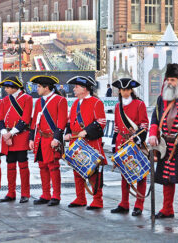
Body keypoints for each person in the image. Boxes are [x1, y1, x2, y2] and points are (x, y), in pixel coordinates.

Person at [148, 63, 178, 224]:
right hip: (165, 144)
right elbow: (155, 117)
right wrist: (153, 133)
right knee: (166, 178)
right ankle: (167, 209)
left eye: (173, 79)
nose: (169, 82)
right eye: (168, 79)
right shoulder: (162, 98)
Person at [65, 75, 107, 210]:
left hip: (90, 142)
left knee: (94, 172)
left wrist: (87, 131)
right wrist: (67, 132)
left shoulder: (96, 102)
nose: (74, 90)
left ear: (84, 88)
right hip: (76, 141)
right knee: (77, 170)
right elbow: (70, 121)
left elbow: (101, 122)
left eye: (76, 87)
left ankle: (97, 200)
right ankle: (80, 197)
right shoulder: (75, 103)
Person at [0, 76, 32, 203]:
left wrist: (10, 133)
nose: (6, 89)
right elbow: (0, 119)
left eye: (8, 87)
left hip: (20, 136)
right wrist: (4, 133)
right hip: (8, 137)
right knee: (10, 165)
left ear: (15, 88)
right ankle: (11, 192)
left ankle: (25, 193)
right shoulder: (4, 100)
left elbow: (25, 119)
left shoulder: (27, 98)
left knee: (23, 166)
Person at [110, 78, 148, 216]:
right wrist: (114, 147)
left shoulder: (139, 104)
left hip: (135, 143)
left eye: (127, 89)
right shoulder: (117, 106)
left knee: (140, 175)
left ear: (131, 90)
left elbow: (144, 125)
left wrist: (136, 138)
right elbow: (115, 128)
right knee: (124, 175)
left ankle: (139, 205)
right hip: (121, 142)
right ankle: (124, 203)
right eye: (122, 90)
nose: (125, 92)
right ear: (119, 91)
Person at [29, 75, 68, 206]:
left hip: (52, 138)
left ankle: (56, 195)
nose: (37, 89)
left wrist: (57, 138)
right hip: (40, 138)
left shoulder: (60, 100)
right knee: (42, 166)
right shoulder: (39, 101)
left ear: (46, 87)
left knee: (53, 167)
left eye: (39, 86)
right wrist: (31, 138)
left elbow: (61, 121)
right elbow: (34, 122)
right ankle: (45, 194)